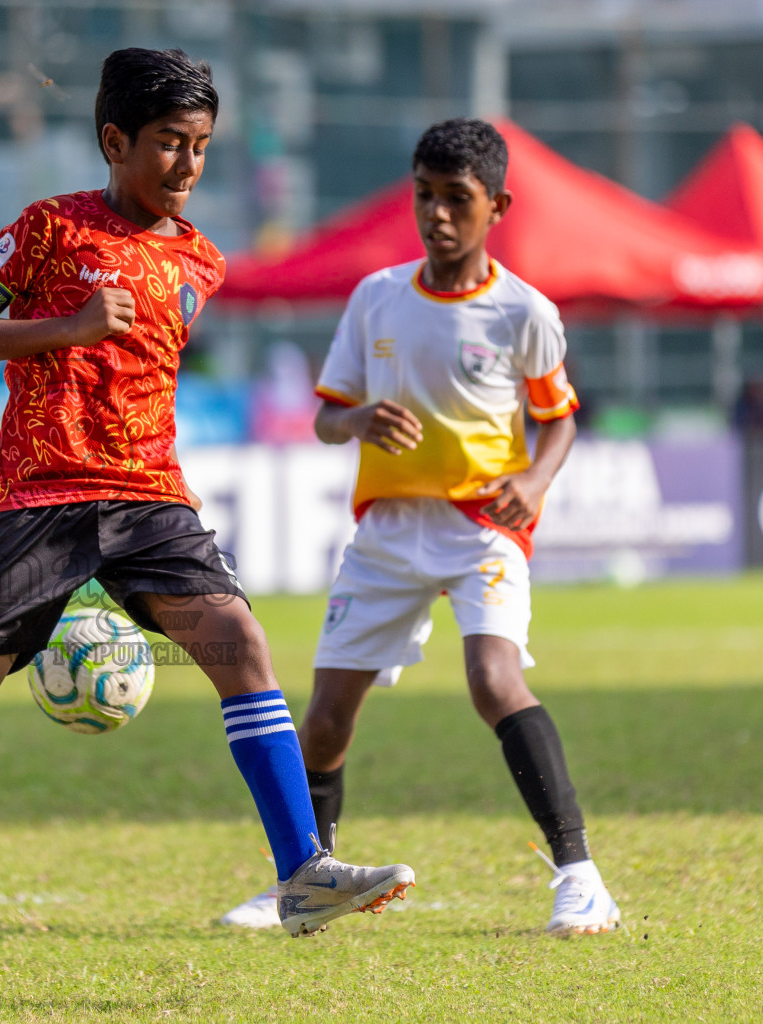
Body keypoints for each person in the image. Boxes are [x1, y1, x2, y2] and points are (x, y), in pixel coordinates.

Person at [0, 48, 415, 963]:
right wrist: (64, 329)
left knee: (242, 646)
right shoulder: (46, 229)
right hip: (40, 494)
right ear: (115, 141)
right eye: (167, 145)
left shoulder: (203, 261)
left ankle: (302, 869)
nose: (187, 166)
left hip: (150, 493)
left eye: (199, 147)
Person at [219, 119, 619, 938]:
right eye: (424, 196)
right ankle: (307, 880)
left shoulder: (524, 312)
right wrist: (361, 417)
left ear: (498, 206)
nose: (437, 215)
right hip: (388, 532)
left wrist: (535, 482)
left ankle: (580, 876)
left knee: (493, 679)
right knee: (327, 716)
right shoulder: (377, 297)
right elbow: (330, 419)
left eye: (457, 199)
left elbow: (560, 419)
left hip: (480, 526)